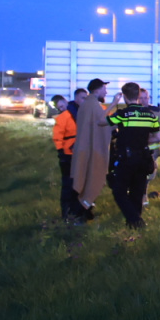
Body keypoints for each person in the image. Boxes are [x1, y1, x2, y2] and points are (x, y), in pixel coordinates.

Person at [105, 82, 160, 228]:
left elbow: (100, 122)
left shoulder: (122, 114)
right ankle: (133, 225)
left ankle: (135, 221)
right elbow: (158, 137)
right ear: (138, 97)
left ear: (125, 98)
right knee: (137, 192)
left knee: (119, 191)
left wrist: (113, 104)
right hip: (144, 157)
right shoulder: (150, 115)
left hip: (127, 159)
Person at [69, 79, 113, 216]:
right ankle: (81, 209)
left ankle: (82, 210)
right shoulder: (92, 105)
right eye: (104, 89)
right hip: (90, 149)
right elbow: (102, 123)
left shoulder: (89, 104)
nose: (106, 91)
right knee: (90, 176)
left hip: (85, 148)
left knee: (85, 177)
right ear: (97, 89)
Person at [51, 91, 91, 223]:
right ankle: (68, 213)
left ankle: (83, 212)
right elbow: (57, 136)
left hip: (84, 154)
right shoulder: (64, 117)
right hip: (69, 156)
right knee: (69, 186)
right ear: (75, 99)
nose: (85, 100)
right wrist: (61, 152)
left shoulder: (87, 113)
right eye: (82, 98)